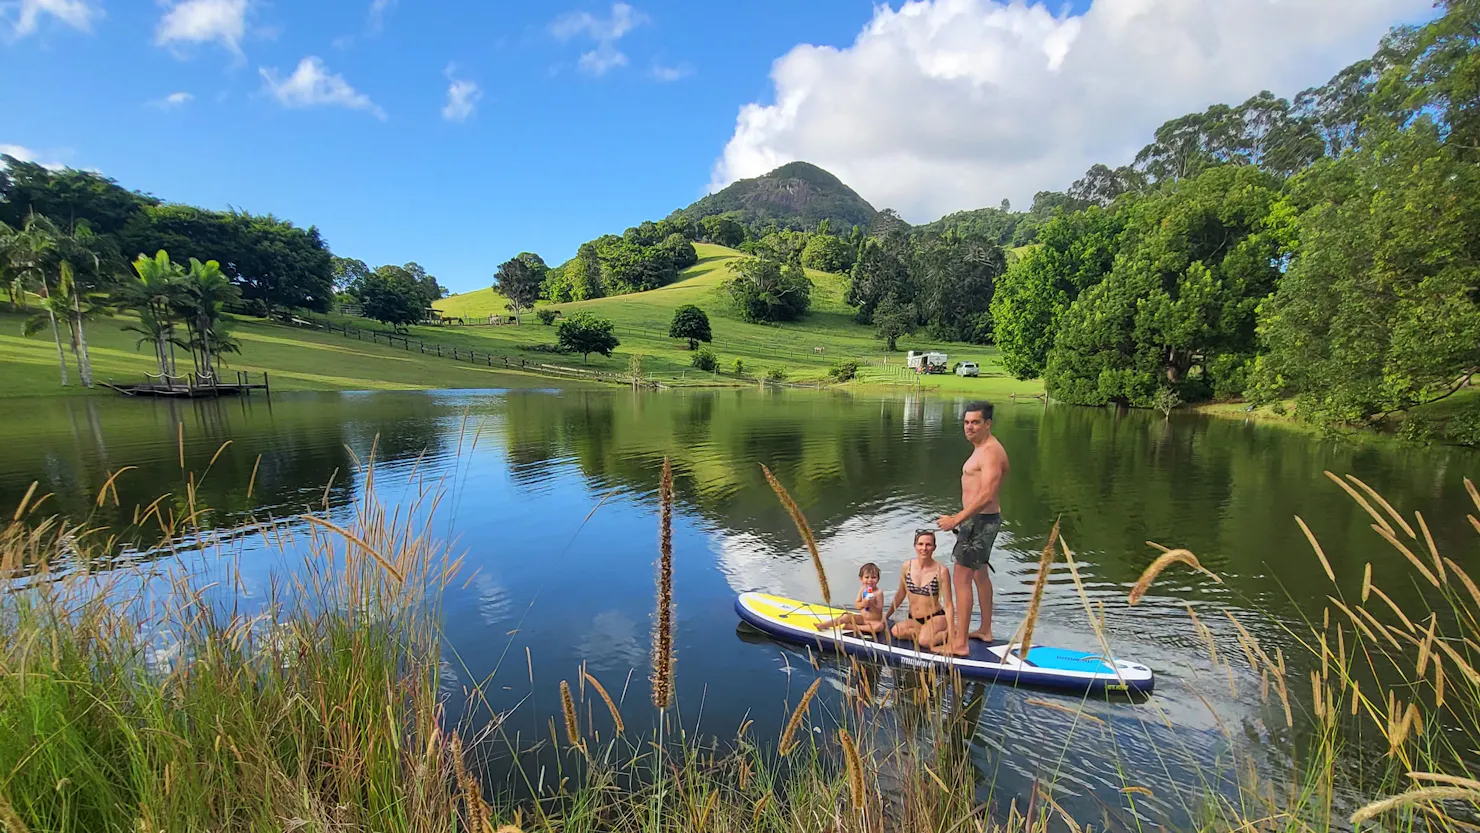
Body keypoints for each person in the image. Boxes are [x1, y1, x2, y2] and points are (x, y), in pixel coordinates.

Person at [938, 401, 1009, 657]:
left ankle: (960, 644)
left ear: (987, 424)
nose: (969, 427)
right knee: (979, 575)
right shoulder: (982, 448)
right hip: (979, 521)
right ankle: (985, 630)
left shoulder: (990, 451)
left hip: (978, 522)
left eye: (975, 422)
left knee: (961, 579)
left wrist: (957, 519)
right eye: (967, 422)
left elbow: (988, 494)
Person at [884, 530, 956, 652]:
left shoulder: (941, 571)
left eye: (928, 545)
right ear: (915, 546)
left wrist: (950, 627)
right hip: (914, 618)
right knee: (896, 631)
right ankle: (926, 633)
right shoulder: (907, 566)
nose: (924, 548)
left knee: (924, 642)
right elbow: (901, 594)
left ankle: (951, 632)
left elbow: (948, 604)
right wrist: (886, 616)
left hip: (935, 617)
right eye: (920, 544)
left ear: (934, 547)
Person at [815, 563, 886, 635]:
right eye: (867, 577)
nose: (870, 580)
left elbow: (879, 610)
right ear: (861, 579)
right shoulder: (862, 589)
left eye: (873, 577)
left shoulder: (878, 593)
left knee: (879, 626)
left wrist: (871, 604)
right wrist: (863, 604)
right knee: (846, 617)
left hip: (873, 621)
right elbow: (857, 605)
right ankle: (824, 625)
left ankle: (853, 627)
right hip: (862, 619)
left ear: (878, 579)